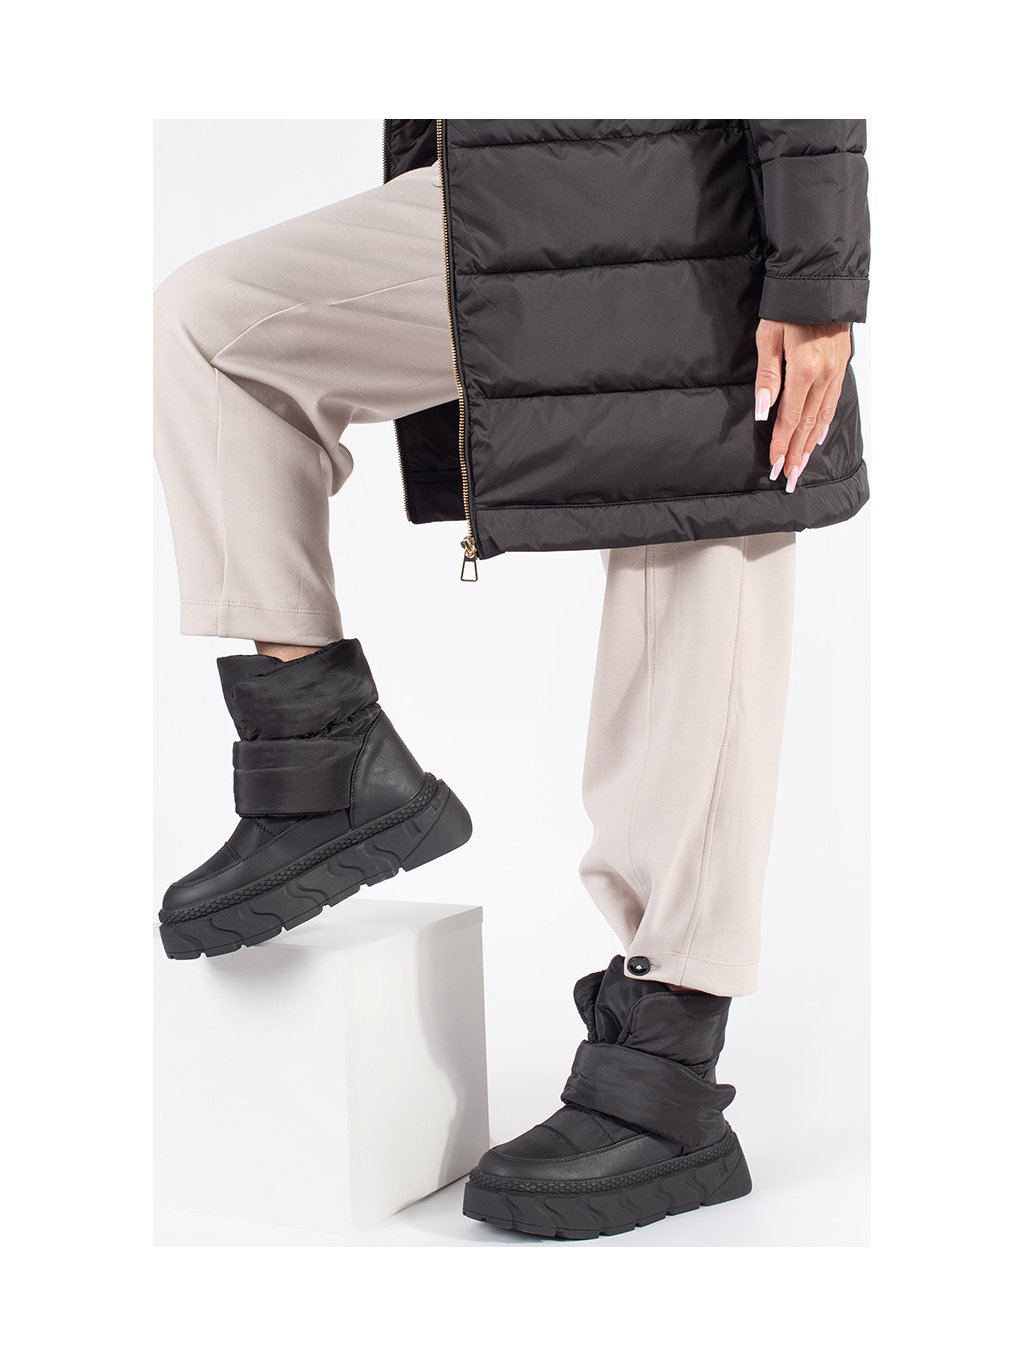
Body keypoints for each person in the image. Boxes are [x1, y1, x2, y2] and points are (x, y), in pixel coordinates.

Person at [154, 119, 869, 1240]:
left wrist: (817, 279)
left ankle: (665, 1067)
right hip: (519, 186)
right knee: (214, 325)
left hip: (698, 194)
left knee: (702, 542)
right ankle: (322, 756)